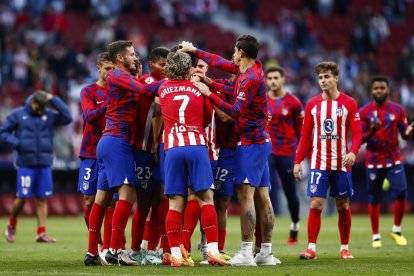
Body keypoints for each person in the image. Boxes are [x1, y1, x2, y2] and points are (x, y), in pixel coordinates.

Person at [181, 34, 277, 266]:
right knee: (263, 196)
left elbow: (235, 110)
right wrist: (197, 54)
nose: (231, 56)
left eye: (234, 52)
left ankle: (246, 252)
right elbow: (220, 64)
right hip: (261, 141)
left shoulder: (250, 79)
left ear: (241, 52)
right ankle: (265, 252)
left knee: (246, 196)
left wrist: (209, 93)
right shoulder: (250, 71)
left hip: (251, 142)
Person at [84, 40, 163, 266]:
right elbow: (146, 89)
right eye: (131, 53)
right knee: (128, 195)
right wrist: (172, 82)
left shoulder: (124, 78)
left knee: (103, 198)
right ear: (120, 58)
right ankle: (115, 250)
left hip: (109, 142)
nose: (135, 56)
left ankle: (92, 253)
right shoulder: (116, 75)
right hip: (117, 141)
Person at [159, 51, 227, 267]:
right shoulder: (199, 89)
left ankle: (176, 255)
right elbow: (208, 119)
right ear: (189, 69)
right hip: (197, 146)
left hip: (173, 149)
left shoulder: (162, 88)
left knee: (174, 204)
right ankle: (214, 252)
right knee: (206, 199)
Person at [293, 61, 362, 260]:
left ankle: (344, 248)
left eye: (327, 77)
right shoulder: (313, 104)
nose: (323, 80)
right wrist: (298, 161)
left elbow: (357, 132)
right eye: (320, 77)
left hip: (341, 164)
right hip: (318, 164)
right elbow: (305, 136)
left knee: (343, 205)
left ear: (336, 78)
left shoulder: (349, 103)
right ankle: (311, 248)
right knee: (315, 203)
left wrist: (353, 152)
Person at [1, 91, 72, 243]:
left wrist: (54, 98)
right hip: (26, 163)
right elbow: (3, 132)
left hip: (45, 163)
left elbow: (67, 117)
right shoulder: (18, 115)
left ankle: (41, 232)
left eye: (43, 109)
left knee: (42, 198)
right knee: (22, 197)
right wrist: (17, 143)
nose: (40, 112)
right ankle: (12, 224)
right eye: (38, 108)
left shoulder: (49, 114)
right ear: (33, 103)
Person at [359, 76, 414, 248]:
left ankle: (396, 230)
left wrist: (410, 130)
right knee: (374, 198)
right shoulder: (364, 112)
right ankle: (376, 236)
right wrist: (372, 130)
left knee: (402, 193)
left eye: (382, 88)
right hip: (374, 160)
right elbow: (360, 139)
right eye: (376, 88)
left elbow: (404, 135)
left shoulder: (398, 110)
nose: (379, 91)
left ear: (387, 90)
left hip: (393, 159)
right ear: (372, 91)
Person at [129, 46, 169, 265]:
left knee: (160, 201)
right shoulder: (145, 80)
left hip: (160, 151)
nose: (165, 70)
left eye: (168, 66)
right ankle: (135, 249)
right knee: (143, 202)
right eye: (162, 65)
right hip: (142, 151)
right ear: (151, 64)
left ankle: (152, 249)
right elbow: (156, 95)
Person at [77, 52, 114, 263]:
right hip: (90, 152)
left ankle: (107, 248)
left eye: (113, 69)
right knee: (89, 201)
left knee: (110, 202)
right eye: (107, 69)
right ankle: (97, 241)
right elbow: (89, 116)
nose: (111, 73)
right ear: (98, 68)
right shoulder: (88, 91)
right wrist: (110, 103)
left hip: (111, 152)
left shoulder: (118, 90)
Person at [266, 65, 303, 245]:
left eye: (276, 78)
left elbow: (301, 131)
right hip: (267, 153)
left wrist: (300, 157)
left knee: (290, 193)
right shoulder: (262, 101)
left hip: (287, 152)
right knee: (263, 192)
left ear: (283, 79)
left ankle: (295, 225)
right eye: (270, 78)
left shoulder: (294, 102)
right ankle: (263, 234)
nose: (273, 81)